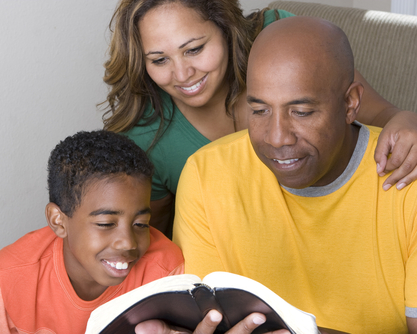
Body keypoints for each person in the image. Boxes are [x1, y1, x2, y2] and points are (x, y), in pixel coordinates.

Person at [165, 16, 417, 334]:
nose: (277, 137)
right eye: (260, 110)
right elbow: (209, 320)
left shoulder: (408, 173)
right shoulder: (206, 175)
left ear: (351, 103)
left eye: (301, 112)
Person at [101, 0, 417, 237]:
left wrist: (405, 120)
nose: (182, 74)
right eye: (159, 59)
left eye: (195, 49)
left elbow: (373, 111)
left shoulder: (277, 37)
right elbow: (155, 243)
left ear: (224, 28)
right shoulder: (146, 139)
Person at [0, 130, 184, 333]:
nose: (128, 243)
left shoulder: (165, 271)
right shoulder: (11, 272)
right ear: (58, 221)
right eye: (106, 223)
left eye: (140, 224)